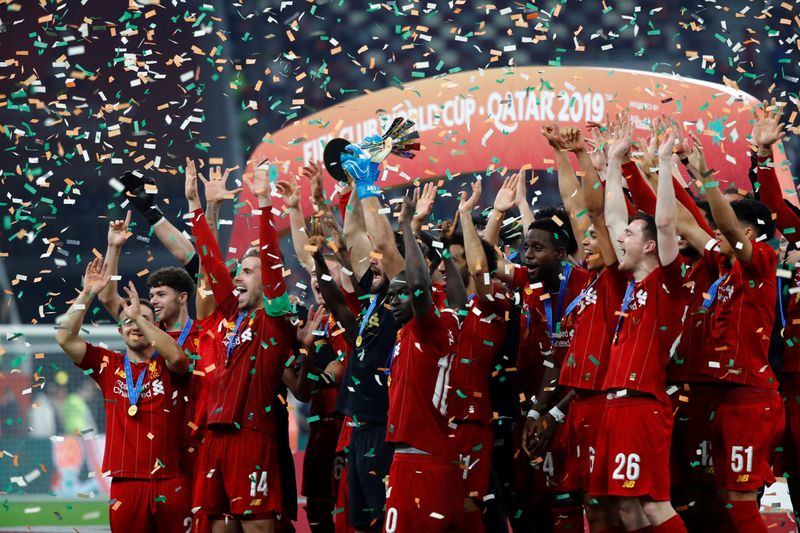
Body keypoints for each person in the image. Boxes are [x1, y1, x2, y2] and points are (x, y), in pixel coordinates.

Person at [677, 121, 784, 532]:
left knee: (740, 502)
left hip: (751, 398)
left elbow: (718, 225)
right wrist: (652, 169)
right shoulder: (721, 264)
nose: (713, 234)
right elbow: (688, 224)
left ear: (749, 233)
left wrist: (705, 179)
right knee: (722, 501)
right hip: (727, 396)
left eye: (723, 229)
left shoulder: (759, 261)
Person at [588, 117, 688, 532]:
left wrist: (663, 164)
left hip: (643, 403)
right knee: (624, 508)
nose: (618, 238)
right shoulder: (631, 284)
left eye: (628, 234)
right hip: (615, 402)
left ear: (648, 246)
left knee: (653, 506)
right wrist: (612, 163)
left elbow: (666, 223)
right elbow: (612, 218)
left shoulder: (667, 281)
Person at [189, 158, 297, 532]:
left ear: (268, 283)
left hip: (251, 437)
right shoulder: (225, 318)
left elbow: (269, 265)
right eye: (239, 271)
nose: (238, 276)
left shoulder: (274, 323)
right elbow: (211, 265)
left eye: (248, 272)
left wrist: (265, 203)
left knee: (258, 528)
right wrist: (196, 209)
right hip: (213, 438)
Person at [55, 257, 191, 532]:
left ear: (155, 330)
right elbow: (64, 338)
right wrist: (87, 292)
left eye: (141, 321)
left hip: (172, 480)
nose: (134, 326)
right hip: (125, 484)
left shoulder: (169, 364)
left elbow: (179, 359)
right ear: (120, 331)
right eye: (128, 321)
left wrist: (141, 317)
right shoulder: (108, 365)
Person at [382, 192, 463, 532]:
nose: (395, 301)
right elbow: (457, 296)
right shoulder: (428, 328)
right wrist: (443, 248)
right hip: (419, 460)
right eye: (390, 297)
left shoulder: (428, 329)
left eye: (401, 294)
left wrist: (405, 226)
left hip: (421, 463)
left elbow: (417, 285)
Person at [450, 179, 511, 532]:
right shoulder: (450, 303)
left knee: (468, 502)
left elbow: (479, 266)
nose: (447, 266)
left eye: (454, 259)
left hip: (473, 420)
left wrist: (469, 216)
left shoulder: (498, 303)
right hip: (441, 422)